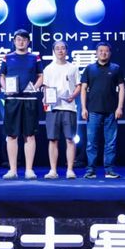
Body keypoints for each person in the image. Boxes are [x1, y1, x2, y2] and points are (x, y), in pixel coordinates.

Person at [0, 29, 43, 179]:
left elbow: (41, 76)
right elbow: (2, 76)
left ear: (28, 42)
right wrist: (6, 88)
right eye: (18, 39)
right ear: (14, 41)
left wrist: (34, 88)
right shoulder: (7, 57)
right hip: (12, 100)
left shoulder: (35, 58)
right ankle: (13, 170)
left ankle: (29, 170)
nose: (21, 42)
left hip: (29, 100)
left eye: (24, 39)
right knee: (12, 135)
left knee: (29, 135)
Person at [80, 41, 125, 179]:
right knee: (91, 143)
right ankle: (91, 171)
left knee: (110, 143)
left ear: (110, 53)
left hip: (111, 111)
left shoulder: (116, 68)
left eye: (106, 51)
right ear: (96, 53)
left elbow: (122, 88)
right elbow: (83, 89)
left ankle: (109, 170)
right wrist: (83, 108)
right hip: (93, 111)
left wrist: (119, 107)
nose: (103, 53)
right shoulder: (89, 69)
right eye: (101, 51)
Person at [42, 41, 81, 179]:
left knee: (70, 139)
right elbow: (45, 87)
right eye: (57, 48)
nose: (60, 51)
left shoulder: (73, 68)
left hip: (69, 108)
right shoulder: (48, 69)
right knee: (53, 140)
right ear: (53, 51)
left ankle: (70, 170)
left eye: (62, 48)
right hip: (52, 108)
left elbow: (78, 86)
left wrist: (73, 96)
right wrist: (45, 97)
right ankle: (53, 170)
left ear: (67, 50)